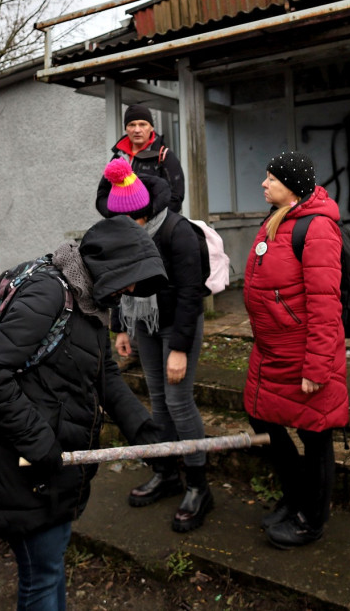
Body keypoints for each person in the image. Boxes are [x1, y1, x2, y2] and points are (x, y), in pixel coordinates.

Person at [0, 215, 167, 611]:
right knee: (42, 575)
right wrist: (41, 443)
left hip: (53, 464)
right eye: (131, 277)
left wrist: (141, 426)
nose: (132, 289)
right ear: (108, 264)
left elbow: (105, 373)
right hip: (22, 464)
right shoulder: (50, 293)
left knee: (47, 569)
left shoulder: (93, 299)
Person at [100, 158, 213, 532]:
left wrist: (179, 347)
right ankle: (166, 474)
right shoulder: (126, 232)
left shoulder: (178, 232)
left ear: (144, 211)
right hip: (141, 325)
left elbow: (191, 293)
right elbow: (117, 280)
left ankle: (199, 487)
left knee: (179, 401)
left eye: (130, 219)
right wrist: (120, 327)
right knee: (159, 400)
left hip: (177, 326)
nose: (124, 226)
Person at [242, 151, 347, 549]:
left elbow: (324, 305)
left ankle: (310, 520)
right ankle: (295, 497)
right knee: (261, 418)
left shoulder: (316, 229)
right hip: (272, 351)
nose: (264, 184)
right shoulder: (278, 219)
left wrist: (317, 368)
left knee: (315, 434)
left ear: (291, 187)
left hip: (304, 354)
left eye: (271, 179)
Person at [96, 104, 185, 214]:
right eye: (132, 125)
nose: (137, 130)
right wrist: (114, 215)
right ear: (126, 128)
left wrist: (147, 219)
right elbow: (103, 194)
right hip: (124, 226)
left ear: (151, 127)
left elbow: (176, 197)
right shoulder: (119, 156)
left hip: (154, 227)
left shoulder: (164, 156)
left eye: (142, 124)